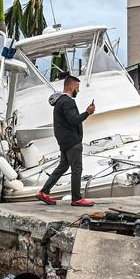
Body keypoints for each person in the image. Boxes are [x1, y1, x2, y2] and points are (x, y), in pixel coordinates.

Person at [37, 74, 96, 206]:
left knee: (63, 166)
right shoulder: (68, 101)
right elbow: (73, 120)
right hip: (72, 141)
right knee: (77, 168)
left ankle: (44, 192)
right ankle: (76, 199)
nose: (78, 91)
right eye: (77, 88)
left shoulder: (59, 101)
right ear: (72, 87)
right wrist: (87, 112)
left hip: (64, 140)